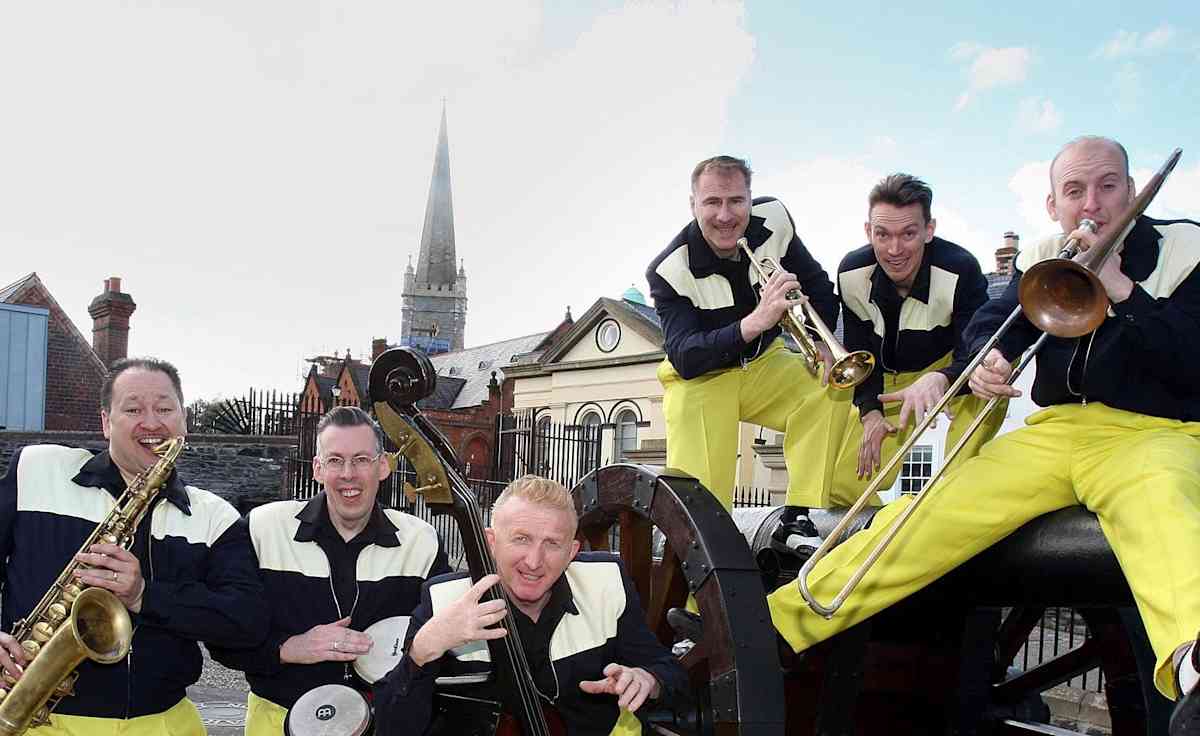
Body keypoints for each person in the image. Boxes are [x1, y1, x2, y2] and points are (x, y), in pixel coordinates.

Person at [762, 136, 1200, 735]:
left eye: (1107, 186)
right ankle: (776, 624)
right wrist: (986, 361)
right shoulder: (1046, 254)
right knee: (928, 509)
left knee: (1165, 510)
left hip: (1155, 431)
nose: (1091, 204)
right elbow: (992, 325)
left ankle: (1194, 666)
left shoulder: (1186, 248)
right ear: (1053, 204)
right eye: (1074, 191)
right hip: (1055, 430)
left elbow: (1191, 359)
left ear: (1132, 191)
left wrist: (1123, 289)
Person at [0, 357, 268, 735]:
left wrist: (145, 595)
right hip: (35, 720)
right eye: (133, 409)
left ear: (184, 420)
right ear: (106, 422)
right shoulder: (38, 469)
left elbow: (246, 622)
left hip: (163, 723)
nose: (152, 423)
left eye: (165, 409)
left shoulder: (215, 516)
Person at [373, 475, 686, 736]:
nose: (534, 562)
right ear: (490, 543)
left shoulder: (606, 583)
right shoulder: (444, 600)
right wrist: (421, 652)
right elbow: (392, 726)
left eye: (552, 543)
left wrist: (649, 680)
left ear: (572, 551)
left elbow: (670, 672)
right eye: (521, 539)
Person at [646, 154, 849, 554]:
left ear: (750, 199)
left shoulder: (775, 219)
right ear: (693, 205)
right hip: (701, 378)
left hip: (764, 363)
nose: (725, 215)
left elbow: (817, 284)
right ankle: (709, 550)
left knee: (829, 388)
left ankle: (798, 515)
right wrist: (754, 322)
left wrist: (825, 343)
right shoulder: (669, 269)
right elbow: (685, 354)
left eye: (736, 201)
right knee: (704, 493)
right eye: (712, 202)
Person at [209, 405, 450, 735]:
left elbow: (449, 644)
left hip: (383, 723)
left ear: (382, 466)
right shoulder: (263, 528)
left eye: (361, 459)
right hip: (278, 720)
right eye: (335, 460)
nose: (348, 473)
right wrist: (287, 648)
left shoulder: (421, 541)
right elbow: (221, 632)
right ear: (318, 469)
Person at [830, 173, 1003, 503]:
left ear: (929, 230)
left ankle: (956, 495)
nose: (894, 250)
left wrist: (943, 378)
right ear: (868, 231)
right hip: (889, 382)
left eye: (908, 234)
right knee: (841, 485)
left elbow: (977, 351)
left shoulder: (961, 268)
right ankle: (875, 531)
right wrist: (870, 412)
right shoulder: (851, 272)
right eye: (882, 234)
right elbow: (859, 354)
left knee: (993, 374)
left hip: (953, 370)